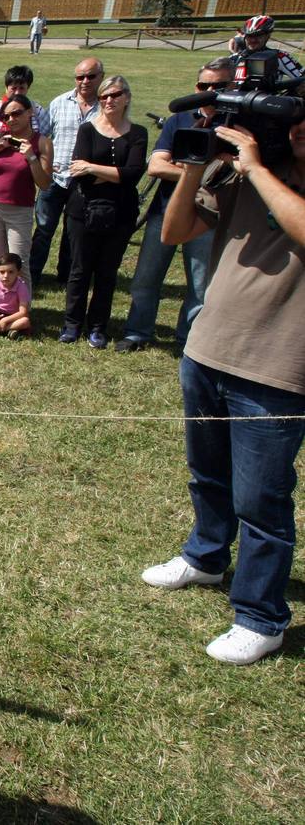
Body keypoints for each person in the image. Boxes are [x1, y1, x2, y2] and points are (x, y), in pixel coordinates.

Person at [139, 118, 305, 666]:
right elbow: (175, 230)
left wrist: (255, 168)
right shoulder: (244, 175)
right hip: (208, 348)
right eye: (296, 120)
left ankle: (261, 616)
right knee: (207, 472)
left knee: (261, 499)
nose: (300, 130)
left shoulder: (259, 173)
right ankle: (207, 556)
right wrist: (195, 163)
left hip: (280, 365)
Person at [115, 58, 232, 353]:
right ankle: (138, 332)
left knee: (199, 281)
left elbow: (235, 173)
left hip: (208, 213)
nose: (210, 92)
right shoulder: (181, 118)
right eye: (204, 86)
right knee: (146, 275)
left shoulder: (235, 123)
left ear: (232, 86)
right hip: (165, 208)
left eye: (219, 86)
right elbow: (156, 166)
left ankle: (187, 338)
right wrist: (206, 172)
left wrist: (184, 169)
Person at [58, 75, 146, 349]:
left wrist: (93, 168)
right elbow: (77, 172)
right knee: (79, 269)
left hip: (120, 212)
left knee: (107, 271)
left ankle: (98, 327)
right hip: (82, 209)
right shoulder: (87, 130)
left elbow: (133, 174)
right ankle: (72, 324)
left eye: (115, 95)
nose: (109, 100)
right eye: (104, 96)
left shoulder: (138, 133)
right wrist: (113, 174)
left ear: (126, 98)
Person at [0, 65, 55, 273]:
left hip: (20, 208)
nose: (12, 119)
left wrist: (31, 158)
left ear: (30, 113)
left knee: (19, 264)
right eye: (6, 117)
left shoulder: (42, 142)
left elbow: (45, 183)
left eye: (17, 114)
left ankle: (21, 305)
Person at [33, 57, 103, 286]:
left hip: (85, 181)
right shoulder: (59, 102)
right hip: (55, 179)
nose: (84, 81)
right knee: (44, 229)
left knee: (73, 232)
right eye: (80, 77)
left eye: (90, 76)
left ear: (101, 77)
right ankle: (32, 274)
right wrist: (45, 163)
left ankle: (65, 275)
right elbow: (42, 136)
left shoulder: (106, 107)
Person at [228, 15, 304, 78]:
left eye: (258, 36)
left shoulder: (279, 56)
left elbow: (301, 79)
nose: (253, 40)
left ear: (267, 36)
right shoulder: (234, 58)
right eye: (250, 36)